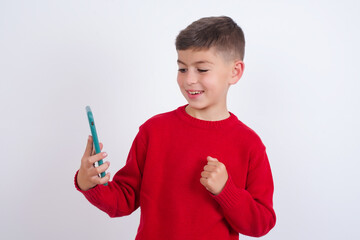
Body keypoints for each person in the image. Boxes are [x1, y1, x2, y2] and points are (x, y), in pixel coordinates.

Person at [75, 16, 276, 239]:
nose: (189, 79)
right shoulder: (153, 131)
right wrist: (88, 184)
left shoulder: (249, 144)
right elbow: (124, 199)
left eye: (201, 70)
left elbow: (261, 224)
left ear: (235, 72)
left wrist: (226, 191)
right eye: (182, 69)